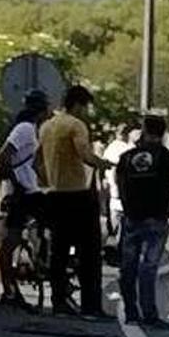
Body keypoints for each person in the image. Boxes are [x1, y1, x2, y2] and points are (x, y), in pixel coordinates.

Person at [39, 85, 113, 317]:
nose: (86, 112)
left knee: (58, 252)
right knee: (89, 252)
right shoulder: (75, 125)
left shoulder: (47, 126)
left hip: (54, 193)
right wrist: (104, 164)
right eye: (86, 107)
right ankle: (91, 305)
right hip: (78, 194)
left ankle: (59, 301)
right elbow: (84, 154)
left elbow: (39, 162)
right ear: (78, 105)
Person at [116, 115, 169, 329]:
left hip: (131, 216)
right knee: (149, 266)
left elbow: (119, 184)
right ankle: (150, 314)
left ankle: (130, 312)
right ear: (163, 133)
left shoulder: (126, 157)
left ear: (144, 130)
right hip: (156, 216)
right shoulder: (167, 156)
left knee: (128, 266)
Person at [0, 90, 51, 312]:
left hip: (30, 191)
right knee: (10, 242)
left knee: (44, 227)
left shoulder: (32, 129)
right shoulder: (25, 129)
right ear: (41, 109)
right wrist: (16, 185)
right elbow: (3, 157)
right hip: (23, 194)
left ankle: (37, 260)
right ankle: (10, 289)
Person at [103, 124, 141, 249]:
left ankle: (114, 248)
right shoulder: (124, 149)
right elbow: (116, 170)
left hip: (113, 190)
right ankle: (117, 249)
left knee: (116, 222)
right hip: (121, 192)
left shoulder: (110, 147)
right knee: (122, 224)